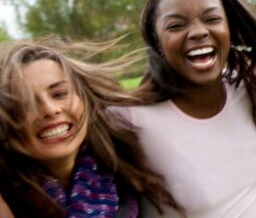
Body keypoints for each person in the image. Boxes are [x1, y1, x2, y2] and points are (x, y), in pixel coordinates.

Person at [113, 0, 256, 217]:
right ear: (157, 41)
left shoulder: (247, 88)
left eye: (211, 19)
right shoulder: (129, 118)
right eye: (176, 25)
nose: (199, 32)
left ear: (229, 27)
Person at [0, 40, 180, 217]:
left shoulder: (129, 166)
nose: (50, 110)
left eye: (60, 94)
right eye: (26, 103)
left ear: (84, 99)